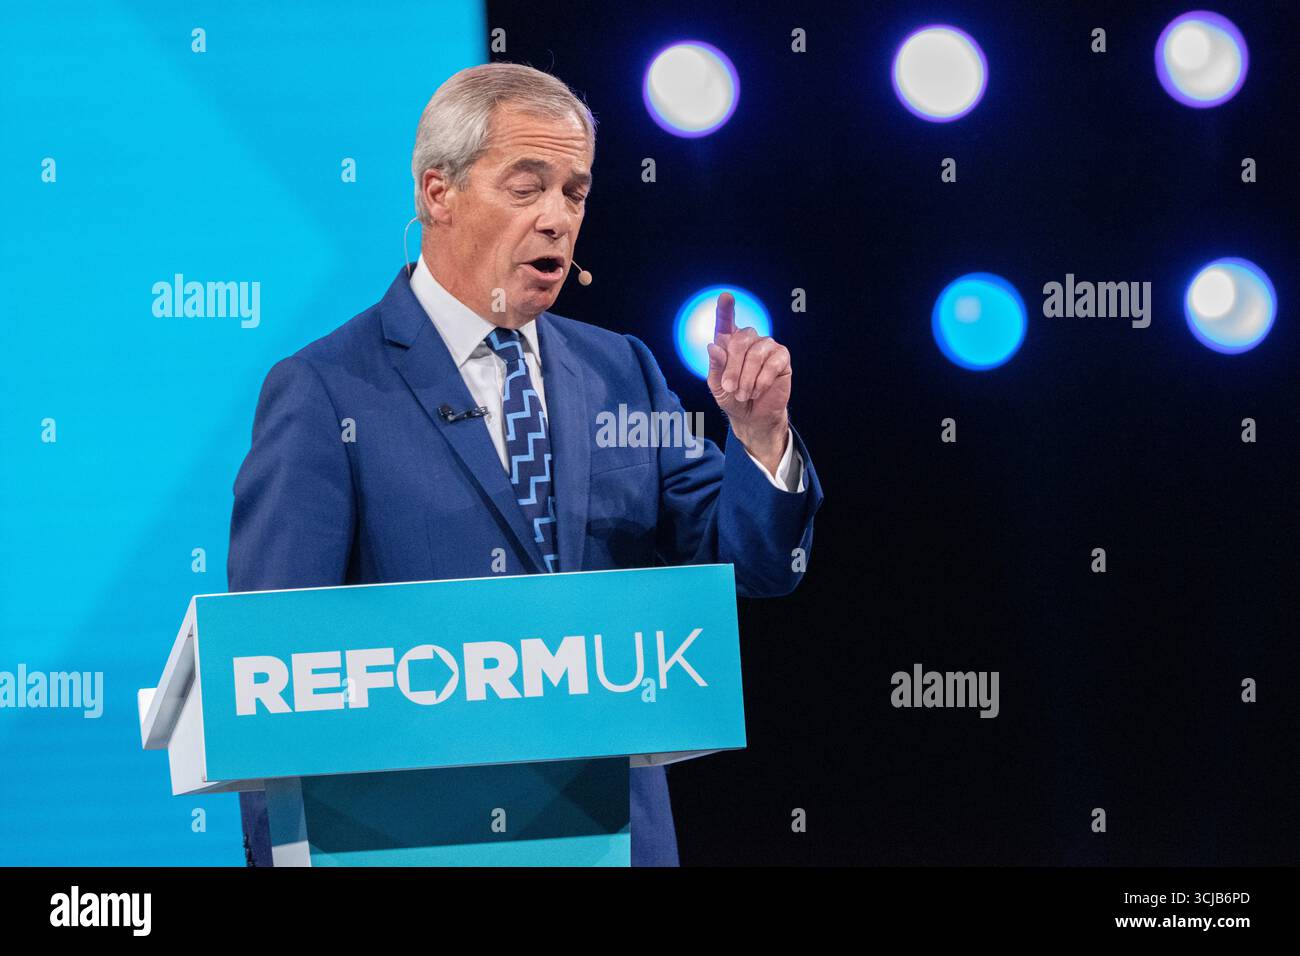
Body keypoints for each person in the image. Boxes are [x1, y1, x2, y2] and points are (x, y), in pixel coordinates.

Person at [228, 62, 823, 867]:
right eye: (526, 186)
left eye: (574, 192)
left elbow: (754, 566)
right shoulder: (327, 390)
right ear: (438, 193)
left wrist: (758, 437)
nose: (557, 219)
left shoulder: (623, 370)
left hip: (616, 839)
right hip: (421, 845)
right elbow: (272, 676)